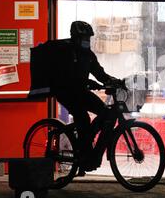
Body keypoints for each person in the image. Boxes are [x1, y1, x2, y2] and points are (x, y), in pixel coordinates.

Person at [51, 21, 122, 172]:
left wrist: (115, 81)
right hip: (66, 92)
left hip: (81, 91)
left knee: (105, 112)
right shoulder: (67, 53)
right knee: (83, 119)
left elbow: (99, 73)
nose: (87, 42)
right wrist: (89, 82)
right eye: (84, 38)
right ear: (75, 38)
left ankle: (88, 145)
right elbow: (68, 76)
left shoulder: (88, 55)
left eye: (88, 39)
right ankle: (83, 154)